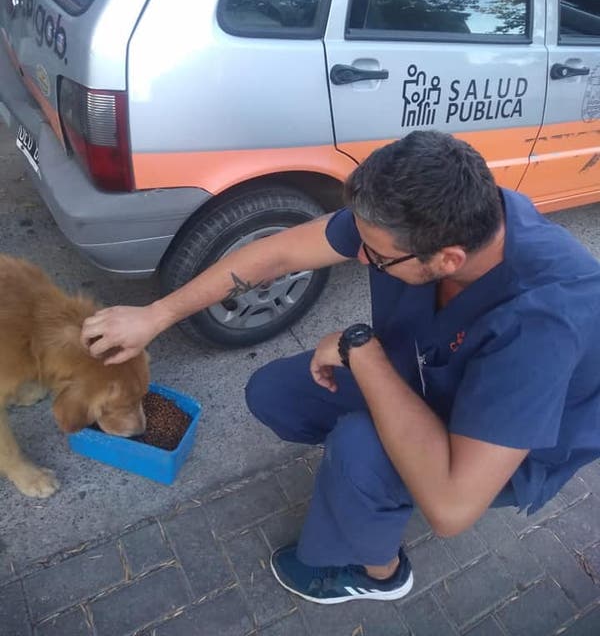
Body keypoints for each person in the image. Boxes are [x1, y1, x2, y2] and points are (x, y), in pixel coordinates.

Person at [81, 130, 600, 605]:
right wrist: (156, 315)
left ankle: (381, 573)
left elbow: (452, 508)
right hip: (428, 374)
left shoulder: (543, 323)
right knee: (276, 393)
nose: (360, 258)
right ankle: (372, 479)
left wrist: (362, 351)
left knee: (359, 449)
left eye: (377, 257)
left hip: (500, 447)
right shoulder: (435, 215)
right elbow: (277, 254)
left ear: (448, 260)